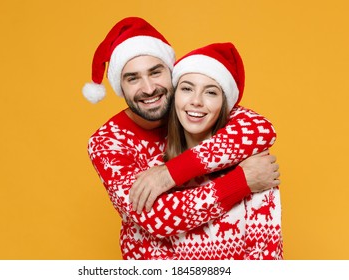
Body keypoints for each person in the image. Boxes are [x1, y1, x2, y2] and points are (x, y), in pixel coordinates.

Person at [82, 17, 279, 260]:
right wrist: (242, 180)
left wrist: (170, 173)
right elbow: (156, 218)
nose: (148, 88)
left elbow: (261, 129)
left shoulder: (194, 112)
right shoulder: (107, 142)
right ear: (120, 86)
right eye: (133, 78)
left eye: (156, 73)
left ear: (172, 73)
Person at [130, 43, 282, 259]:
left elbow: (265, 256)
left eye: (211, 92)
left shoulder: (254, 169)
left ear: (225, 105)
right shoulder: (151, 173)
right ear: (174, 98)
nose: (196, 101)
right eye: (186, 88)